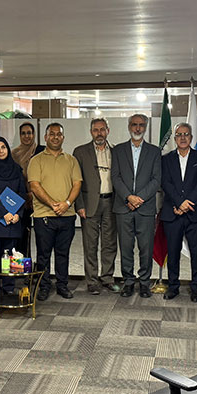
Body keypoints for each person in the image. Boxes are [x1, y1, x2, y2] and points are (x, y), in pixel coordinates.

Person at [27, 122, 82, 300]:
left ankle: (62, 285)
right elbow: (34, 186)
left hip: (67, 215)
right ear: (45, 137)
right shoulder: (36, 160)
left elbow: (77, 184)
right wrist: (52, 204)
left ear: (63, 138)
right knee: (43, 255)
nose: (55, 137)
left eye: (59, 134)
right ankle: (43, 286)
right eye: (52, 134)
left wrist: (67, 203)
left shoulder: (71, 160)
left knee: (63, 253)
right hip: (44, 216)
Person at [111, 113, 161, 297]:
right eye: (134, 124)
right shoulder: (118, 150)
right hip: (123, 207)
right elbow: (115, 177)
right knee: (126, 248)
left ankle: (145, 283)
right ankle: (129, 282)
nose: (137, 128)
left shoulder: (154, 151)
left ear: (145, 127)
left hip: (145, 208)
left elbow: (156, 179)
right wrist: (128, 197)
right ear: (129, 127)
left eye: (141, 125)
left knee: (146, 248)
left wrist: (139, 198)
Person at [160, 124, 197, 301]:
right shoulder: (166, 159)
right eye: (179, 134)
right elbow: (165, 183)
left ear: (191, 137)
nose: (182, 137)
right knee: (173, 253)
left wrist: (187, 204)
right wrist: (179, 203)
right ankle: (173, 287)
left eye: (186, 134)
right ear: (174, 138)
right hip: (172, 213)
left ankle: (196, 288)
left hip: (195, 213)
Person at [73, 118, 119, 294]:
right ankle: (92, 281)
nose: (99, 133)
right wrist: (79, 205)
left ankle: (107, 278)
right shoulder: (80, 152)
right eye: (95, 130)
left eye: (102, 129)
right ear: (91, 132)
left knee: (109, 243)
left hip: (111, 203)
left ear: (108, 130)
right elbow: (75, 181)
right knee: (90, 244)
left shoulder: (116, 151)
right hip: (89, 204)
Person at [0, 136, 27, 295]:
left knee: (10, 258)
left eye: (3, 147)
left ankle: (9, 288)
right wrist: (5, 214)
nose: (1, 151)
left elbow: (22, 194)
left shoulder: (16, 169)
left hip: (13, 222)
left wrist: (18, 214)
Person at [12, 121, 44, 253]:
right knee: (23, 234)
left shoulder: (41, 151)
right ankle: (25, 262)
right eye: (23, 133)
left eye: (29, 133)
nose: (27, 136)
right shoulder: (14, 154)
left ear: (34, 134)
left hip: (41, 198)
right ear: (20, 135)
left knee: (43, 236)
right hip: (22, 199)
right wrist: (25, 194)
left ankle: (41, 264)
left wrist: (34, 192)